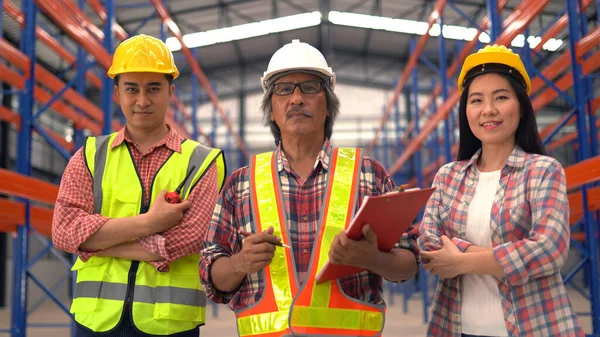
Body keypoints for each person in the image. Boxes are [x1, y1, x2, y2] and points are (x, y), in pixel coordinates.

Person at [200, 39, 419, 337]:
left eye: (310, 88)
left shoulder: (369, 175)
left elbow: (408, 264)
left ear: (328, 105)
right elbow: (212, 277)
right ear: (271, 110)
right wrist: (240, 262)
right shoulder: (240, 185)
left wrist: (372, 259)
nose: (297, 98)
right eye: (283, 89)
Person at [52, 34, 226, 337]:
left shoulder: (202, 162)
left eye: (153, 88)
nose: (142, 100)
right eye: (131, 89)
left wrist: (97, 243)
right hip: (96, 321)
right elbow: (65, 231)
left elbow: (187, 239)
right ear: (117, 92)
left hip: (170, 324)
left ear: (170, 92)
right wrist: (151, 222)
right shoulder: (91, 156)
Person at [417, 44, 584, 337]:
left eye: (501, 97)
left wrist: (460, 260)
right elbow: (430, 246)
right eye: (476, 100)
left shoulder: (543, 171)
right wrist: (508, 256)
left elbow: (549, 250)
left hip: (535, 328)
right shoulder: (448, 177)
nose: (488, 110)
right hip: (457, 329)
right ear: (466, 111)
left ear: (521, 108)